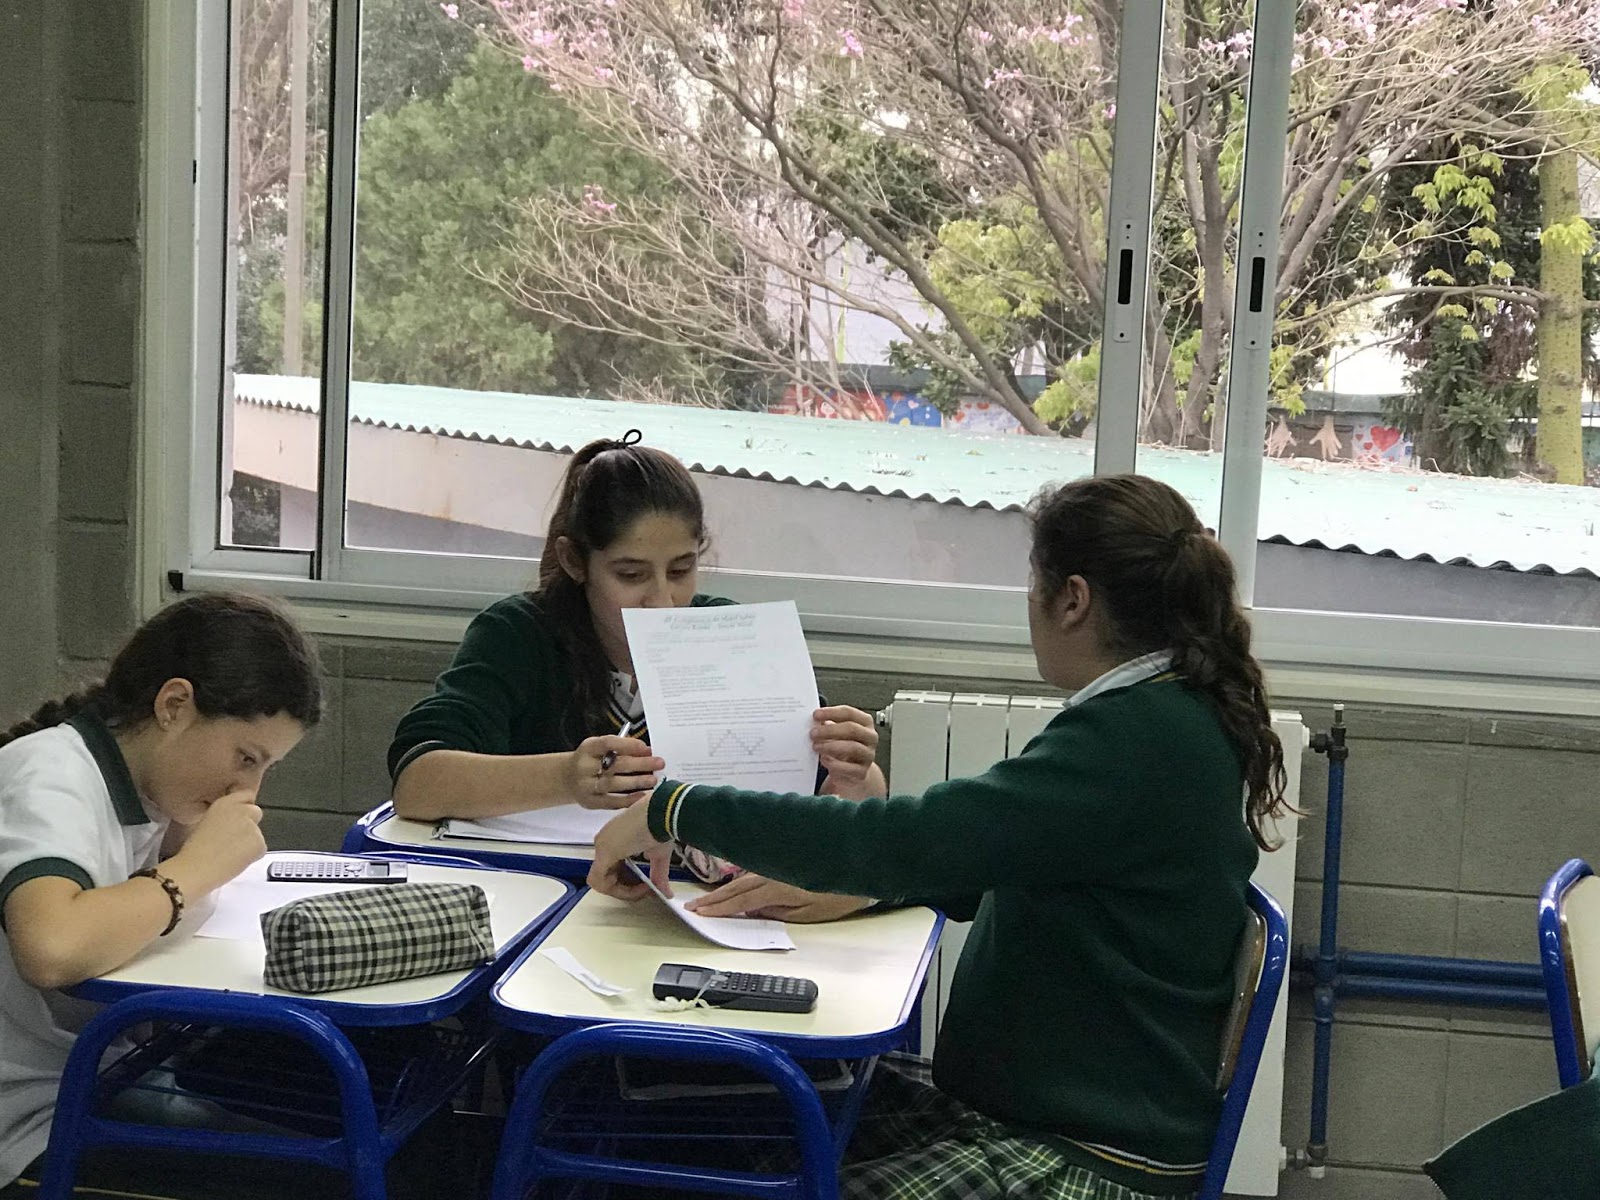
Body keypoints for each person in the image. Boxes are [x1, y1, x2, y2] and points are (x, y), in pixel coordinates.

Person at [589, 473, 1290, 1200]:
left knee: (746, 1139)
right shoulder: (1161, 715)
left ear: (1073, 599)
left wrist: (676, 808)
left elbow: (911, 839)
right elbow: (992, 852)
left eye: (1035, 583)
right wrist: (864, 890)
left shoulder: (1134, 740)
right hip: (1039, 1117)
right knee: (748, 1117)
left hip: (1083, 1156)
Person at [388, 431, 886, 908]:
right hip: (540, 891)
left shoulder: (728, 635)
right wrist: (567, 777)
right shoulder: (519, 634)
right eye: (630, 575)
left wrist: (854, 772)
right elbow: (417, 783)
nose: (662, 600)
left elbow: (841, 801)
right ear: (574, 561)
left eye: (681, 570)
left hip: (698, 901)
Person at [0, 592, 324, 1195]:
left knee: (337, 1100)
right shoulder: (50, 776)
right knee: (325, 1175)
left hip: (112, 1069)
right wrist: (192, 871)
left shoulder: (150, 795)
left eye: (265, 768)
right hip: (31, 1120)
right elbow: (50, 947)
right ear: (174, 705)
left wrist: (186, 844)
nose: (248, 789)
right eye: (245, 757)